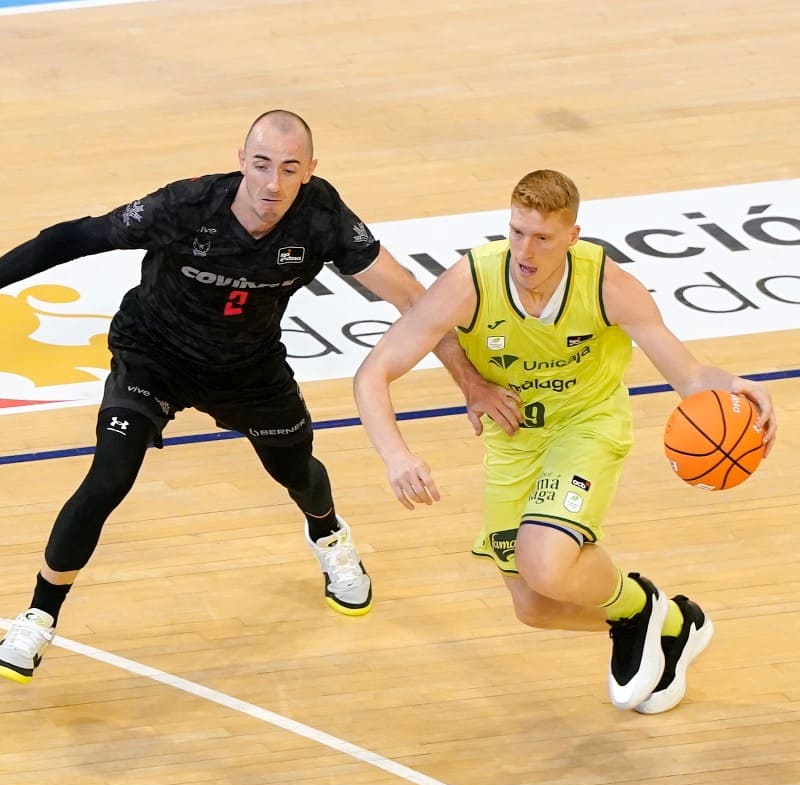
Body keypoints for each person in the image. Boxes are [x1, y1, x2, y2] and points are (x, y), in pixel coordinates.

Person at [0, 110, 509, 685]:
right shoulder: (188, 205)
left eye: (289, 169)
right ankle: (38, 616)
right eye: (262, 165)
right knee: (109, 477)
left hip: (248, 369)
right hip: (154, 356)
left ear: (309, 171)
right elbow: (74, 236)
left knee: (296, 471)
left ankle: (328, 532)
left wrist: (471, 382)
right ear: (241, 160)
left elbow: (414, 298)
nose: (273, 183)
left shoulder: (321, 216)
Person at [353, 169, 777, 714]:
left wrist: (730, 383)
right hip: (514, 441)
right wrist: (395, 454)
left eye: (542, 238)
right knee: (534, 606)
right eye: (517, 232)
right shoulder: (471, 283)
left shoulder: (607, 285)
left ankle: (637, 613)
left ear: (572, 237)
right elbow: (373, 373)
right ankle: (668, 621)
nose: (525, 251)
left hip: (586, 425)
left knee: (546, 562)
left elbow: (688, 374)